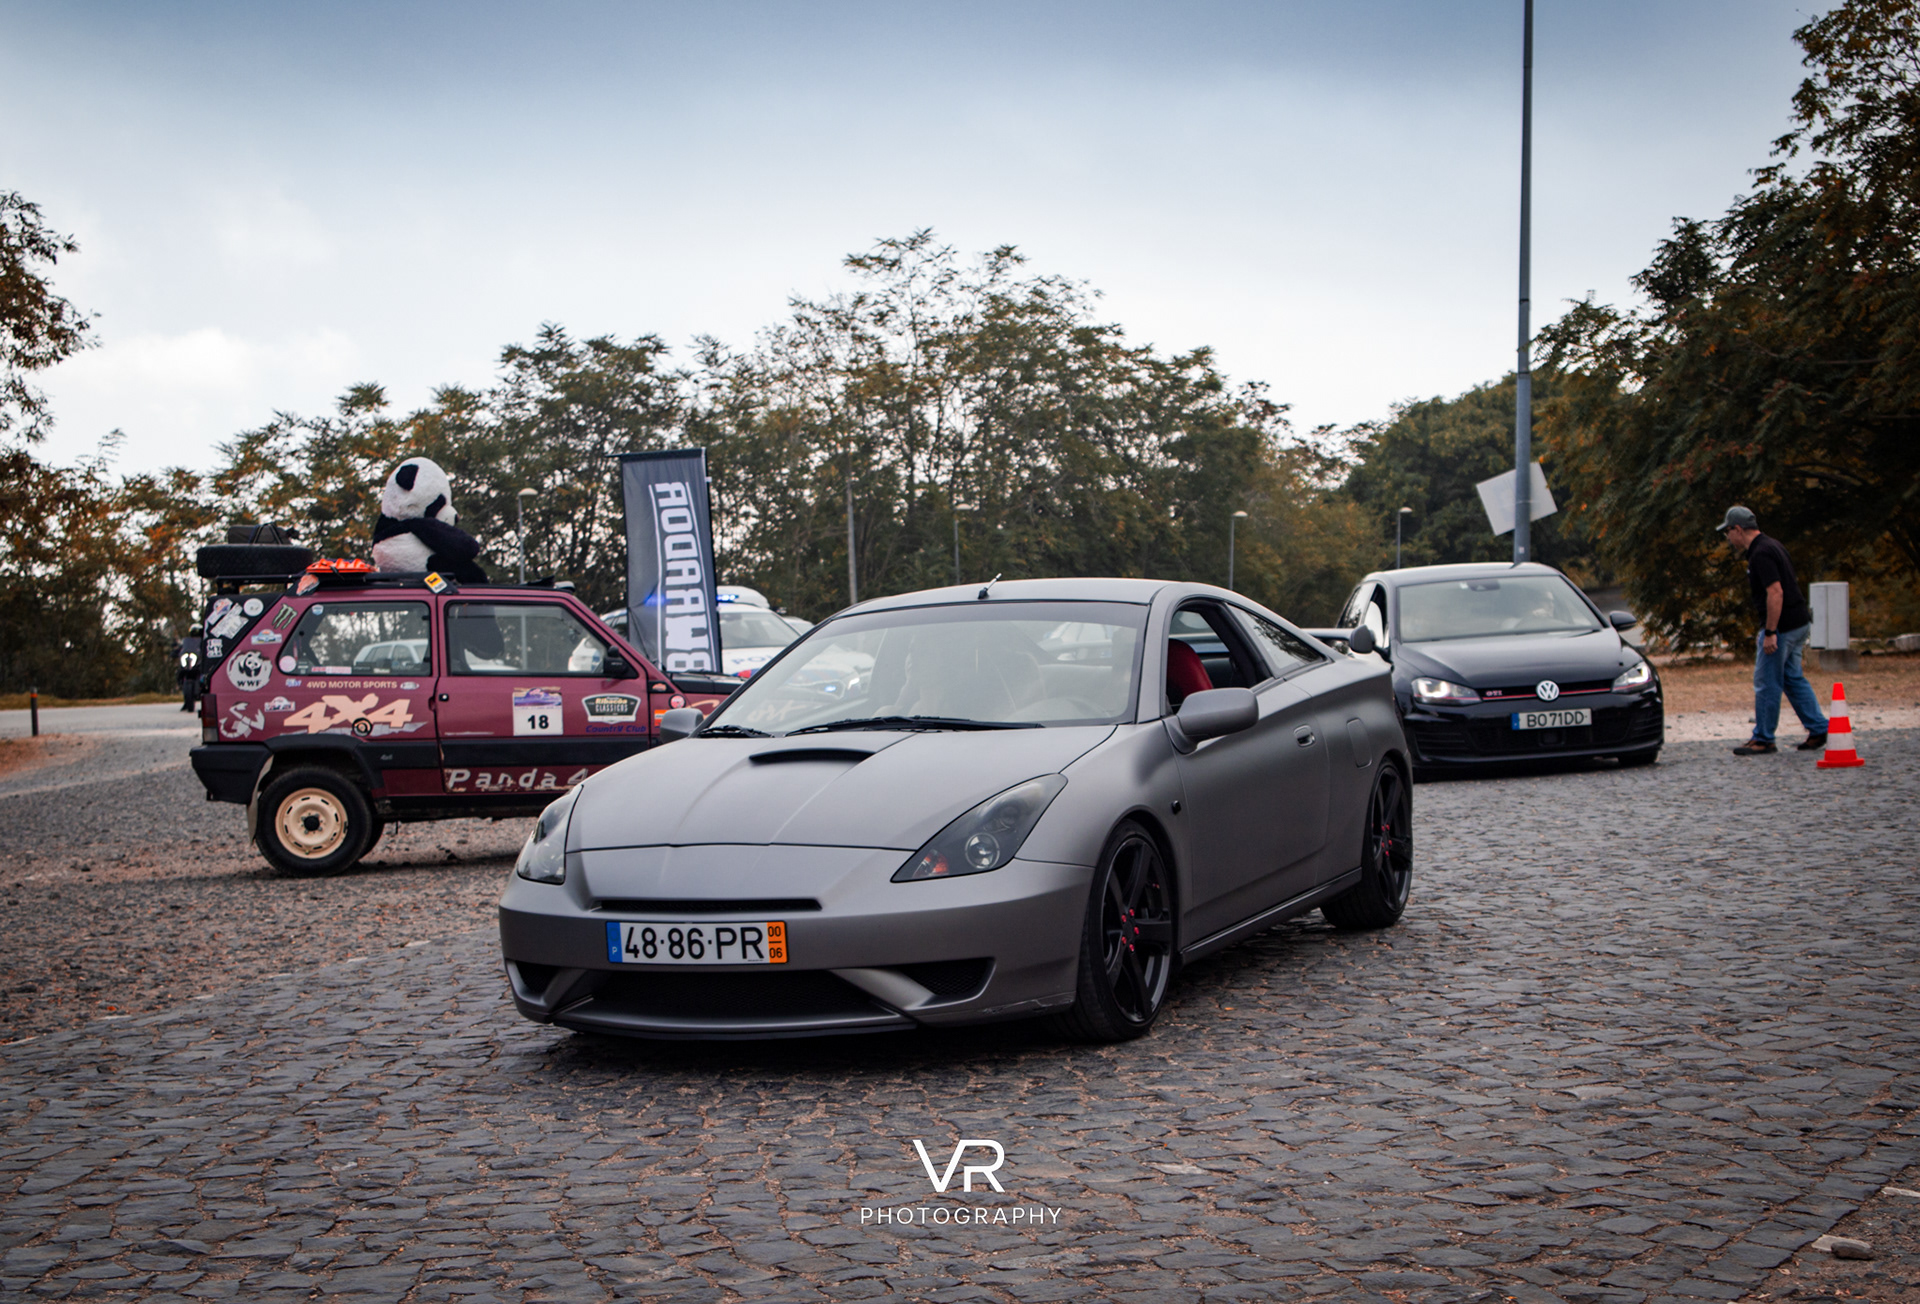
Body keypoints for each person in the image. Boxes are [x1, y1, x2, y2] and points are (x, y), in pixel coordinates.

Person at [1717, 506, 1827, 756]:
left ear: (1737, 529)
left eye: (1727, 532)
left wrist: (1770, 632)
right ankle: (1819, 728)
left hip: (1783, 627)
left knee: (1767, 681)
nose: (1728, 538)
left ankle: (1764, 738)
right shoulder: (1773, 545)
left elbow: (1775, 592)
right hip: (1799, 621)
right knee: (1792, 678)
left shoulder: (1761, 554)